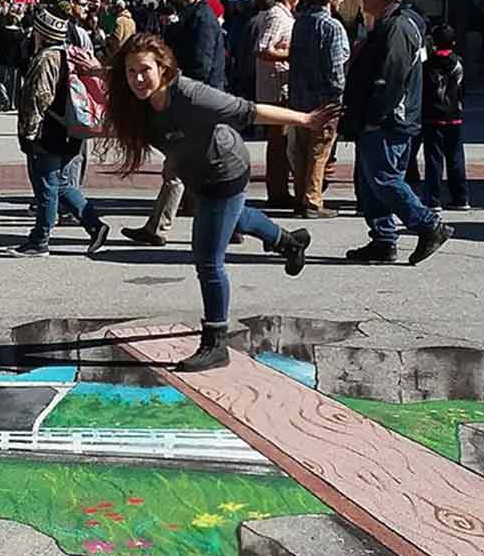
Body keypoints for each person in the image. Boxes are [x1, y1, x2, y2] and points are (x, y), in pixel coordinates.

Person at [101, 33, 336, 371]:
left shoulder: (191, 95)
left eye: (145, 70)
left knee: (208, 258)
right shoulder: (139, 104)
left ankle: (216, 343)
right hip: (198, 173)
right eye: (131, 72)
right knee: (236, 219)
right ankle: (288, 241)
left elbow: (249, 111)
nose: (138, 79)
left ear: (163, 68)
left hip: (226, 170)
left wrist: (304, 120)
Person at [340, 0, 453, 264]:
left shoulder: (399, 27)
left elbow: (390, 77)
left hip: (389, 119)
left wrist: (374, 115)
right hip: (380, 118)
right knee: (370, 181)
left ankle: (428, 224)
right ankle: (383, 238)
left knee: (383, 178)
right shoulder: (386, 25)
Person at [120, 0, 227, 248]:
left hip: (196, 101)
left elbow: (201, 66)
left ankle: (160, 227)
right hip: (191, 98)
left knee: (180, 166)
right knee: (189, 167)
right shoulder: (190, 16)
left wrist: (176, 87)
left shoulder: (203, 19)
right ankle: (232, 225)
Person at [10, 7, 110, 258]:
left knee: (46, 186)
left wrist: (29, 133)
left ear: (41, 33)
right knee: (62, 184)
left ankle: (39, 240)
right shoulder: (72, 54)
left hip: (49, 131)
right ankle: (95, 225)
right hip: (72, 127)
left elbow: (39, 97)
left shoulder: (46, 58)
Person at [287, 0, 349, 219]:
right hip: (323, 99)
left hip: (299, 97)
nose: (342, 0)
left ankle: (301, 196)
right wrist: (339, 98)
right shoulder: (332, 27)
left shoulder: (300, 23)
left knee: (302, 151)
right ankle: (312, 200)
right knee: (319, 152)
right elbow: (335, 69)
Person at [256, 0, 309, 210]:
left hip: (279, 87)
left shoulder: (283, 15)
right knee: (279, 141)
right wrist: (292, 54)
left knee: (280, 141)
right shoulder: (277, 16)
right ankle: (277, 191)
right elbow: (262, 48)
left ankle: (278, 189)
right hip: (277, 89)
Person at [421, 24, 469, 211]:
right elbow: (462, 89)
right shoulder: (458, 63)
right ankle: (460, 197)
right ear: (453, 42)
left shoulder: (428, 65)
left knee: (433, 159)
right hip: (454, 115)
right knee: (455, 157)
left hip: (432, 115)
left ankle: (433, 198)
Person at [0, 12, 26, 111]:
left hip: (3, 59)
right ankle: (13, 103)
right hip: (16, 61)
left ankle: (3, 99)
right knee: (14, 84)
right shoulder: (20, 33)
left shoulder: (2, 31)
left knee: (0, 81)